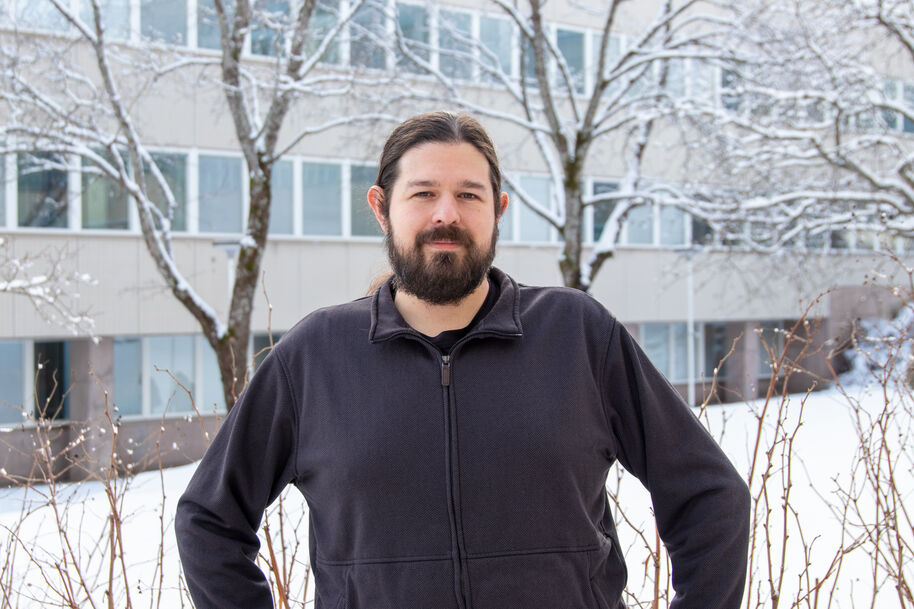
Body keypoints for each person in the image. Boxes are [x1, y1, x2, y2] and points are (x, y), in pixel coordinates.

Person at [176, 111, 750, 609]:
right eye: (423, 193)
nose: (445, 214)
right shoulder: (317, 355)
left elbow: (709, 495)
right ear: (382, 207)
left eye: (468, 195)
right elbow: (209, 520)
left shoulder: (577, 335)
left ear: (498, 209)